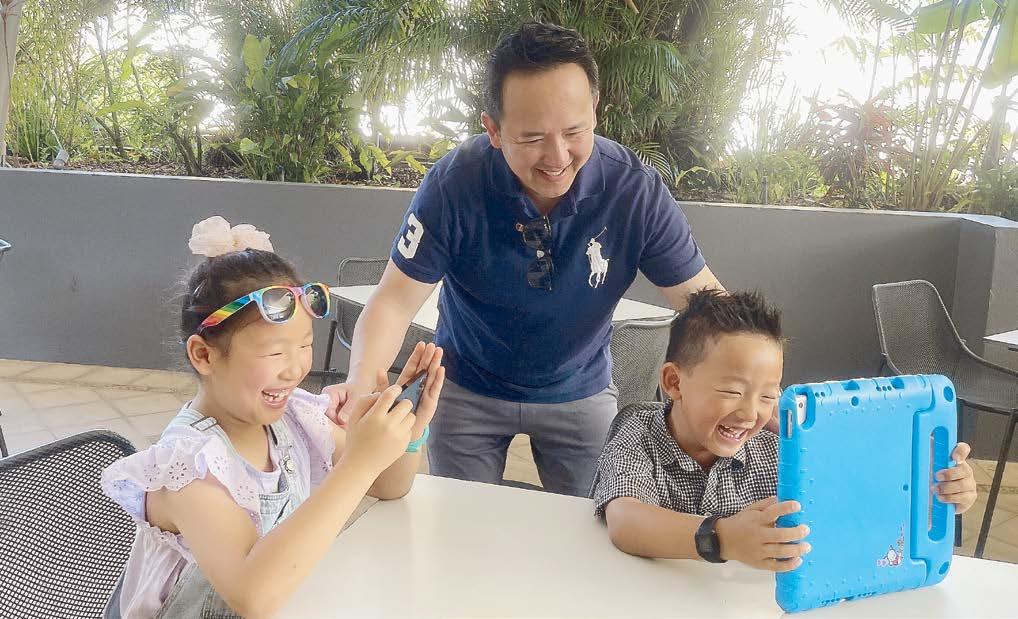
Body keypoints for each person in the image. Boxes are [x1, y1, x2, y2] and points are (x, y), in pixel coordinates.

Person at [326, 21, 723, 497]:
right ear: (493, 130)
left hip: (582, 387)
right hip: (466, 384)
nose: (557, 157)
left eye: (575, 131)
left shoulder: (634, 190)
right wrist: (361, 383)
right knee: (461, 521)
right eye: (532, 138)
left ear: (595, 109)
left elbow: (705, 306)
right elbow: (393, 301)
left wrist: (754, 383)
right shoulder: (454, 185)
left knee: (597, 520)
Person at [100, 216, 445, 618]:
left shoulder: (294, 419)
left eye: (304, 346)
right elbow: (253, 597)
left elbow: (389, 486)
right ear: (204, 355)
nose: (295, 369)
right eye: (274, 353)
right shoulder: (188, 467)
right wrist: (357, 463)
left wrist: (408, 431)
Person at [591, 289, 979, 570]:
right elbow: (626, 521)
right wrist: (723, 538)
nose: (750, 413)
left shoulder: (779, 448)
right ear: (674, 382)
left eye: (768, 395)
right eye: (732, 391)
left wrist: (936, 488)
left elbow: (863, 491)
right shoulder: (638, 428)